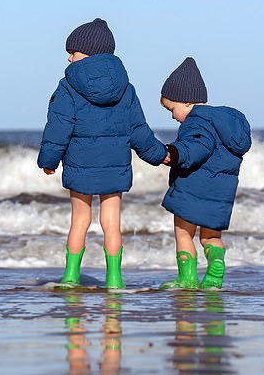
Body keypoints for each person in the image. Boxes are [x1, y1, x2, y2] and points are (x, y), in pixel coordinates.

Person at [37, 18, 168, 289]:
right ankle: (114, 279)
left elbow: (59, 126)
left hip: (80, 163)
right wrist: (159, 155)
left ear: (86, 53)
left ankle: (71, 276)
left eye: (72, 53)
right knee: (111, 222)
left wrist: (49, 160)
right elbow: (138, 129)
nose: (70, 59)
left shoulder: (67, 86)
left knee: (80, 220)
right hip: (115, 164)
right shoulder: (125, 88)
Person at [159, 57, 251, 289]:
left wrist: (175, 153)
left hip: (193, 189)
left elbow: (198, 147)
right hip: (220, 194)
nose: (172, 116)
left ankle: (187, 279)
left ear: (187, 102)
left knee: (183, 233)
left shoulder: (196, 122)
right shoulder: (223, 124)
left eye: (172, 109)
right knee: (211, 237)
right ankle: (214, 273)